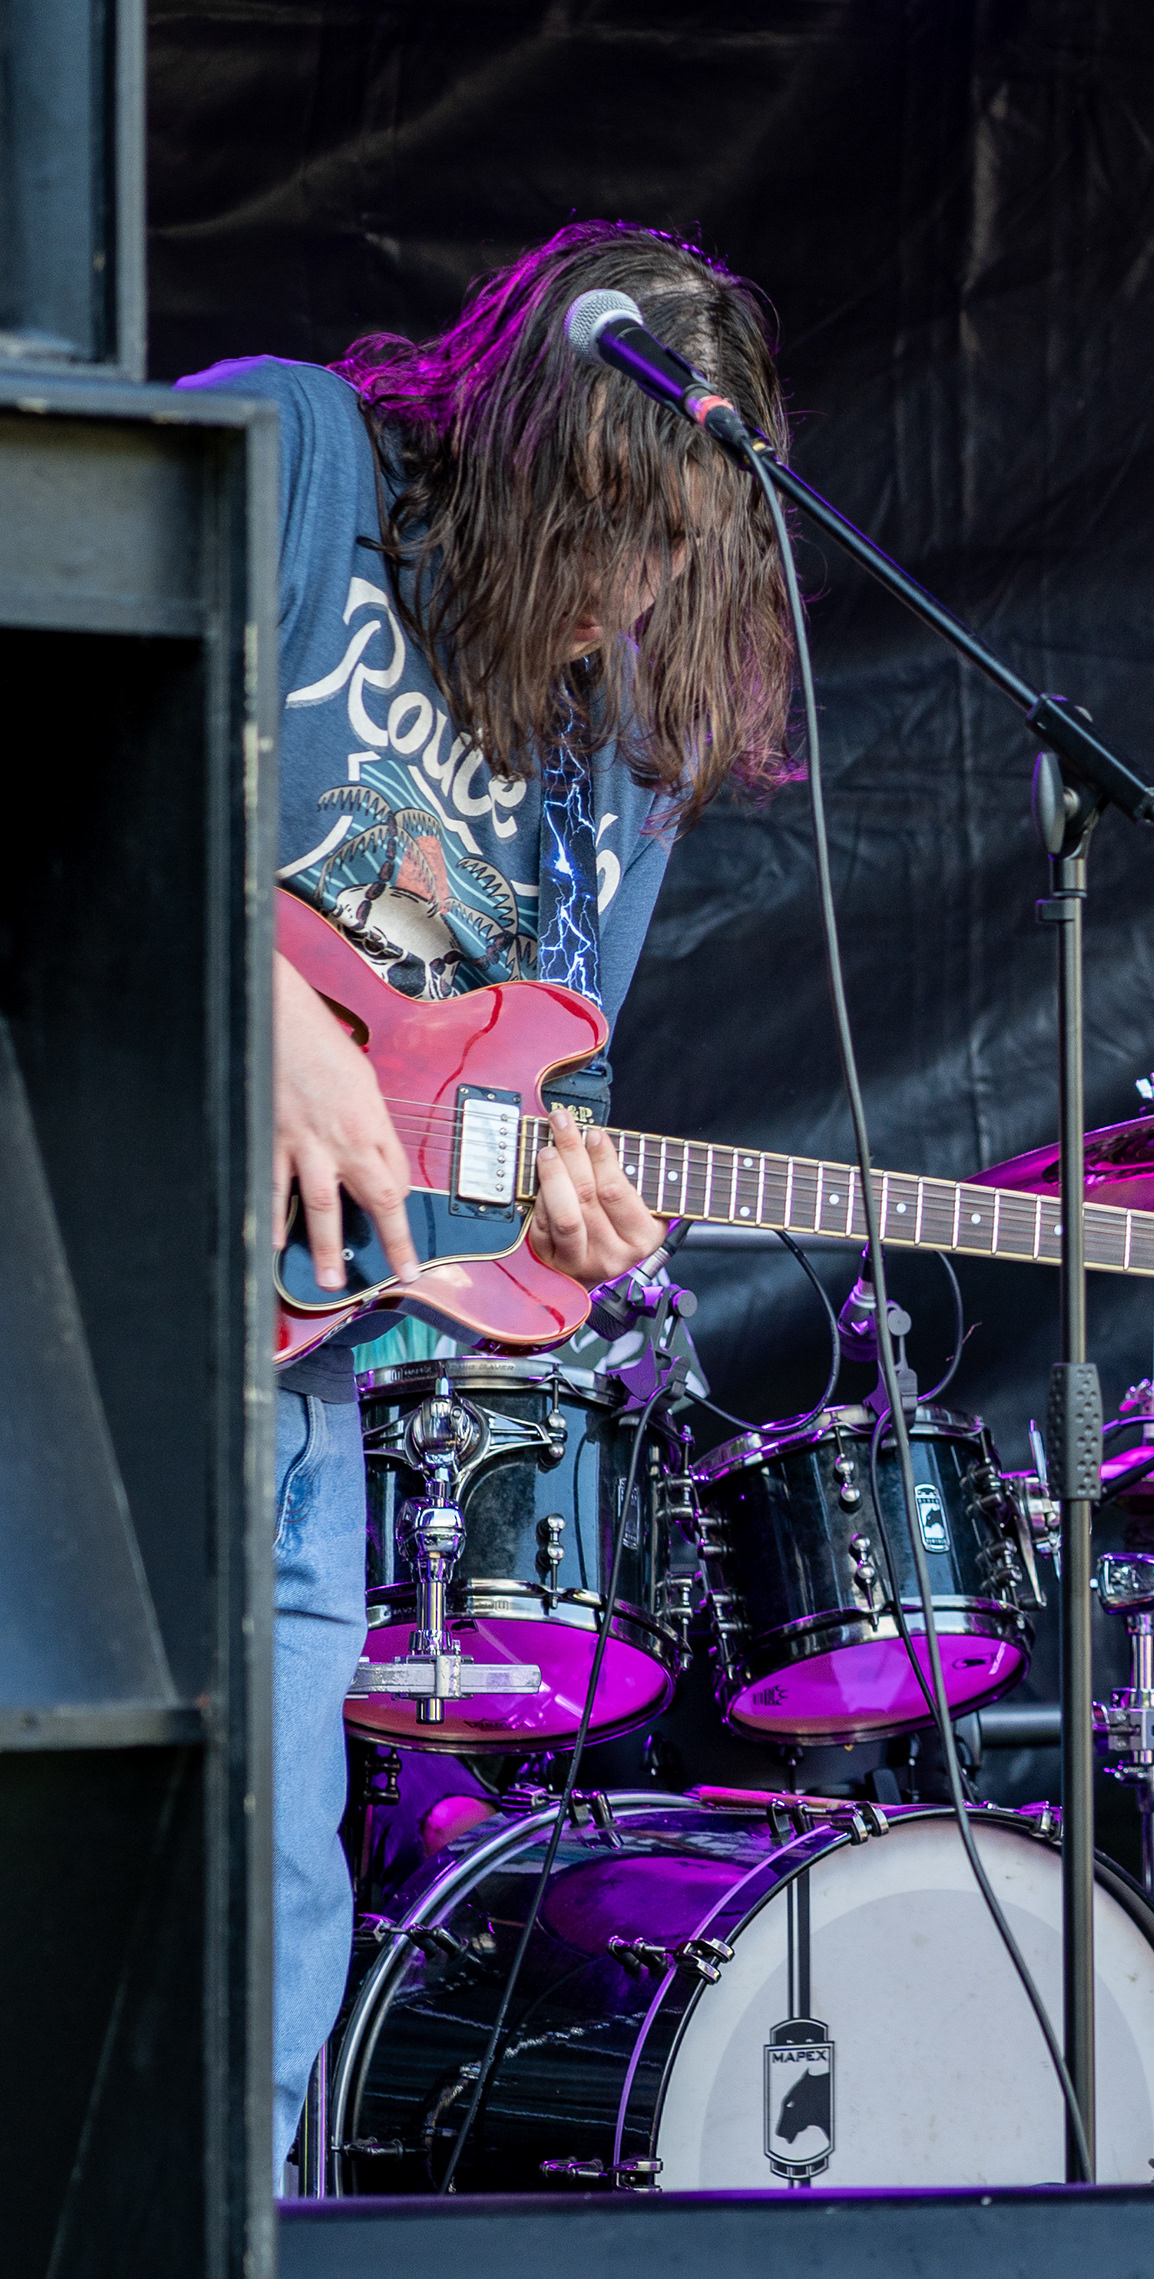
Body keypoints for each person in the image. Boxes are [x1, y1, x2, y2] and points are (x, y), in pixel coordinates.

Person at [193, 221, 798, 2172]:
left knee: (262, 1941)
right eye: (607, 524)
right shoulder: (297, 465)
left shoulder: (610, 757)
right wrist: (253, 987)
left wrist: (568, 1212)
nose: (631, 586)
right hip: (80, 1280)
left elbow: (535, 1087)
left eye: (675, 547)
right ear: (511, 442)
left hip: (296, 1384)